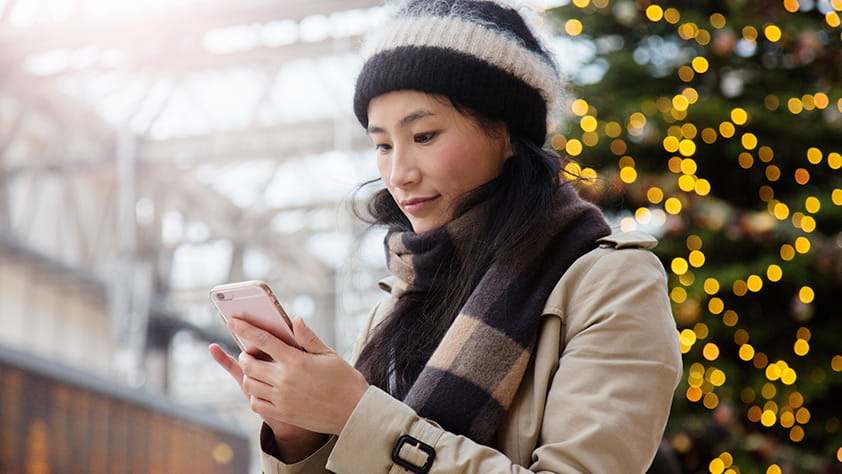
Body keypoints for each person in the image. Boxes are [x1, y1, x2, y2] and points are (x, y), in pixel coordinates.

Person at [209, 0, 682, 472]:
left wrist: (357, 414)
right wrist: (301, 432)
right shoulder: (396, 304)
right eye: (382, 145)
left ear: (508, 134)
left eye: (425, 136)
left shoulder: (613, 282)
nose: (399, 174)